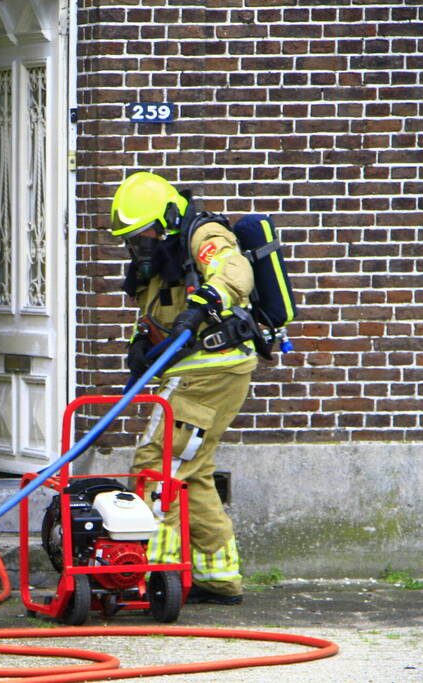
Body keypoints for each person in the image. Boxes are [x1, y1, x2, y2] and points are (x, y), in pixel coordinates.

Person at [110, 171, 257, 606]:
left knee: (158, 463)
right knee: (193, 471)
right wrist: (143, 346)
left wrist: (203, 305)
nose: (141, 246)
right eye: (133, 240)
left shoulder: (204, 235)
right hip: (192, 372)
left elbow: (235, 274)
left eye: (145, 235)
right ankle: (219, 576)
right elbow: (157, 309)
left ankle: (152, 572)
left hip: (210, 371)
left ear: (168, 218)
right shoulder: (165, 255)